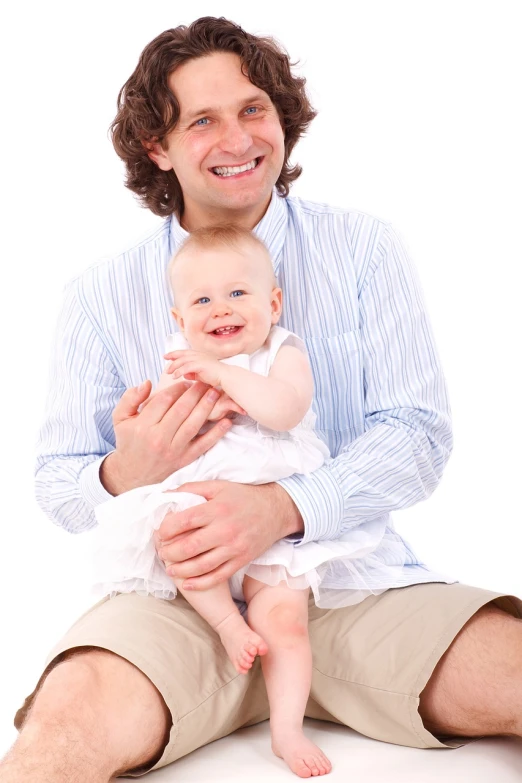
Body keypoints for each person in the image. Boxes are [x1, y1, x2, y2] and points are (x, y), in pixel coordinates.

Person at [3, 15, 521, 783]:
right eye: (202, 121)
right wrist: (126, 471)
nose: (239, 138)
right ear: (158, 148)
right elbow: (57, 481)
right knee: (62, 729)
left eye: (253, 110)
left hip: (345, 579)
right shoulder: (98, 295)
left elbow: (417, 434)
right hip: (178, 597)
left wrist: (283, 507)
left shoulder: (363, 249)